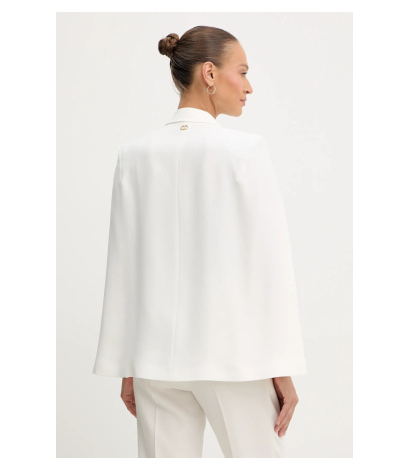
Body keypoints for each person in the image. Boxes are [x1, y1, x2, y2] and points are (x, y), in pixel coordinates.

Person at [92, 25, 307, 458]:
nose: (249, 86)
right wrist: (279, 365)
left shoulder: (134, 155)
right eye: (241, 72)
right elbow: (268, 264)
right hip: (235, 359)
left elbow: (124, 264)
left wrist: (129, 361)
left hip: (154, 360)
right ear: (209, 73)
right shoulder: (244, 151)